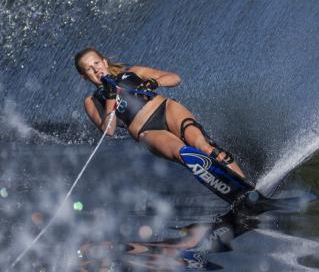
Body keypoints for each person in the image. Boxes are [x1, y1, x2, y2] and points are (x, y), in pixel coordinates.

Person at [74, 47, 247, 179]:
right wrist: (111, 96)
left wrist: (153, 83)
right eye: (89, 69)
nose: (96, 69)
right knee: (185, 154)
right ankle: (229, 188)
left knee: (205, 147)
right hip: (147, 131)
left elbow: (174, 78)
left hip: (166, 109)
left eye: (96, 63)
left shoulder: (132, 72)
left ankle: (246, 187)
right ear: (84, 76)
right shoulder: (93, 100)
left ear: (104, 62)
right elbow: (109, 130)